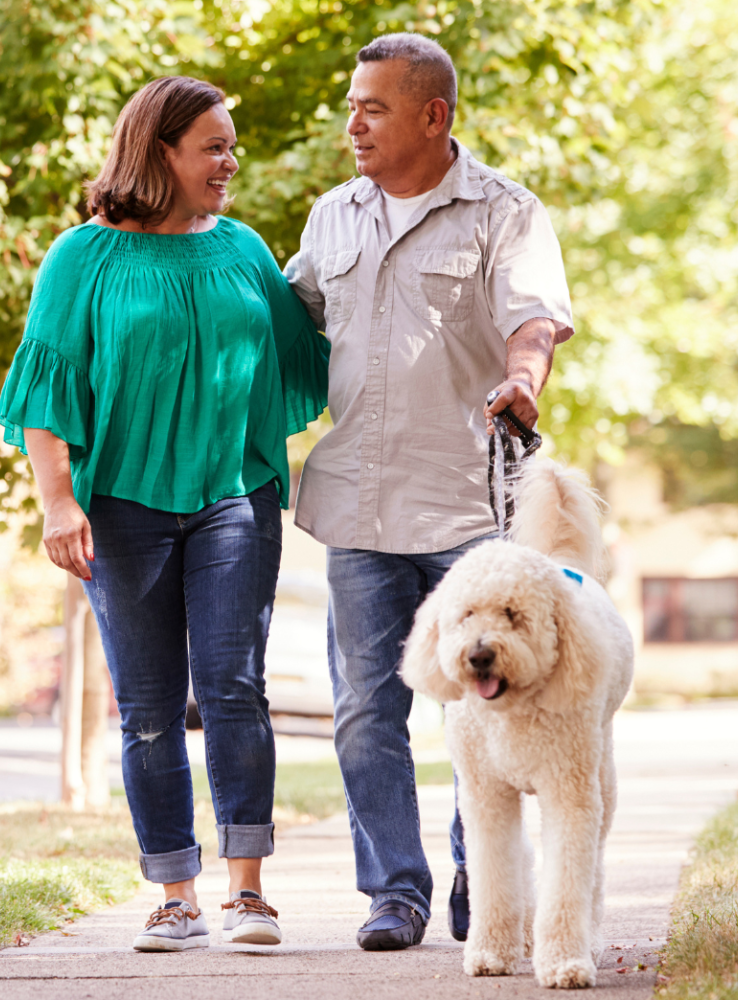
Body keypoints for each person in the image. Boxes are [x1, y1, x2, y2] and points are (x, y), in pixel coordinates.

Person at [0, 76, 329, 952]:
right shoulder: (83, 257)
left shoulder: (245, 249)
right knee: (147, 708)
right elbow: (46, 386)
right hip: (121, 510)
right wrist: (57, 499)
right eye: (213, 146)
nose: (230, 161)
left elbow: (313, 348)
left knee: (234, 688)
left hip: (233, 497)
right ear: (160, 152)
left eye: (231, 145)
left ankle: (247, 891)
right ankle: (175, 893)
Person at [285, 33, 574, 950]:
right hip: (359, 506)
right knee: (367, 705)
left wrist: (524, 377)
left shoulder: (504, 212)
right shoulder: (333, 215)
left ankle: (474, 882)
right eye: (352, 105)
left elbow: (534, 319)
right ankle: (393, 893)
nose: (353, 123)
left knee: (482, 705)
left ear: (433, 115)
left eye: (372, 106)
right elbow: (288, 321)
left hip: (470, 508)